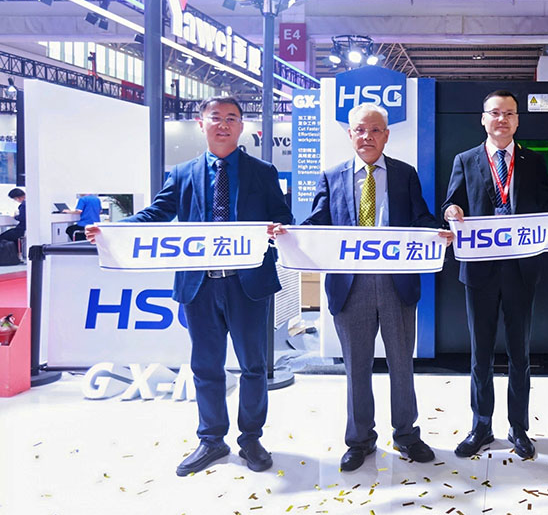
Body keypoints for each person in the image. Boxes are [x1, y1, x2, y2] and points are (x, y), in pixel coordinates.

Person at [85, 96, 292, 477]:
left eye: (232, 118)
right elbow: (157, 213)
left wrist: (279, 229)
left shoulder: (262, 172)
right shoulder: (182, 174)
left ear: (241, 125)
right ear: (201, 123)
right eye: (216, 117)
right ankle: (211, 439)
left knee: (253, 366)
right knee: (206, 366)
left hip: (248, 284)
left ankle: (251, 439)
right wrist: (113, 230)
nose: (224, 124)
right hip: (200, 286)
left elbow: (282, 215)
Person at [283, 102, 450, 472]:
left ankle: (407, 435)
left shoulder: (405, 174)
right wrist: (289, 234)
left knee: (401, 364)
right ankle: (359, 440)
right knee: (356, 368)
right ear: (350, 134)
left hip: (396, 285)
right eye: (360, 130)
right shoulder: (331, 177)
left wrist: (436, 231)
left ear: (386, 135)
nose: (367, 137)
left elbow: (420, 217)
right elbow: (317, 223)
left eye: (375, 130)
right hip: (350, 287)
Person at [443, 90, 548, 460]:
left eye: (509, 114)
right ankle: (481, 425)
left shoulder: (533, 161)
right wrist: (452, 210)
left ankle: (519, 427)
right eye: (495, 113)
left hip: (521, 269)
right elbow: (451, 201)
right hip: (480, 271)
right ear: (483, 119)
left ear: (517, 120)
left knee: (520, 353)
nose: (502, 119)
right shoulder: (465, 160)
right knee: (480, 354)